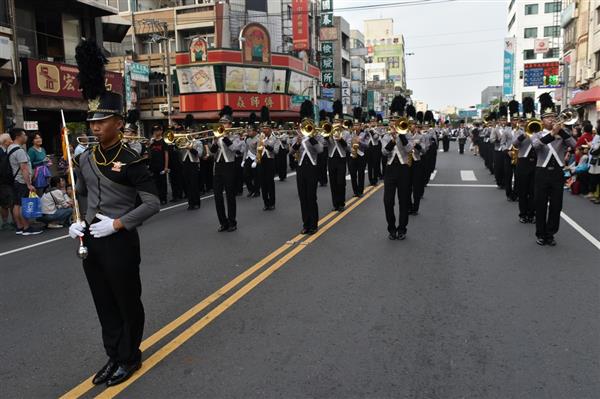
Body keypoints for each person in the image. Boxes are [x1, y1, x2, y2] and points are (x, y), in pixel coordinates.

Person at [68, 40, 160, 387]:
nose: (94, 127)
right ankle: (113, 354)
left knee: (125, 300)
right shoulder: (86, 158)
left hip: (119, 239)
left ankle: (130, 356)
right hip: (92, 238)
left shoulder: (133, 157)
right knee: (103, 303)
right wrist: (76, 222)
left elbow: (151, 203)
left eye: (102, 121)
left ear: (118, 122)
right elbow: (81, 194)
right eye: (91, 121)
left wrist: (119, 223)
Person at [531, 93, 576, 246]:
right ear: (542, 120)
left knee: (556, 205)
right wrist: (552, 134)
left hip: (557, 173)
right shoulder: (536, 134)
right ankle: (541, 234)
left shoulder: (564, 134)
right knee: (540, 204)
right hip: (541, 173)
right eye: (548, 117)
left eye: (553, 117)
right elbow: (536, 146)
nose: (551, 119)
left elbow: (574, 145)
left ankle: (550, 234)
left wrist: (561, 132)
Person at [210, 110, 244, 232]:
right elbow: (212, 152)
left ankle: (232, 222)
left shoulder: (235, 136)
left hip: (229, 166)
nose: (222, 125)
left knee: (230, 195)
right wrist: (215, 140)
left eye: (225, 123)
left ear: (230, 125)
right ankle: (223, 222)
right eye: (221, 123)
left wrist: (224, 138)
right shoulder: (216, 135)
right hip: (218, 166)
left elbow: (235, 149)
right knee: (217, 196)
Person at [8, 128, 42, 235]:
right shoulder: (19, 151)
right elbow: (24, 168)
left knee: (17, 204)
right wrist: (29, 184)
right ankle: (26, 227)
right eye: (24, 135)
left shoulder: (10, 148)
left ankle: (19, 226)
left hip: (15, 180)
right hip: (22, 181)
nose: (26, 137)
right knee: (24, 204)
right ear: (18, 137)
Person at [381, 126, 413, 240]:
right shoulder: (386, 136)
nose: (394, 124)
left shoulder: (408, 135)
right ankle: (392, 228)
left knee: (404, 200)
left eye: (396, 121)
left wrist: (402, 137)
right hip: (390, 169)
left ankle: (402, 229)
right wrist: (393, 141)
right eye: (392, 122)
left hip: (404, 169)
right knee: (388, 201)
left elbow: (410, 150)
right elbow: (384, 152)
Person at [290, 124, 323, 234]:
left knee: (311, 197)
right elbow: (290, 152)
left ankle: (313, 224)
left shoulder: (316, 137)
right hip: (300, 168)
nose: (303, 129)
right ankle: (306, 224)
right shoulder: (297, 137)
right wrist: (298, 143)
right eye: (302, 126)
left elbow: (320, 150)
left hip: (312, 168)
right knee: (303, 197)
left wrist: (310, 137)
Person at [514, 97, 537, 224]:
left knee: (533, 191)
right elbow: (515, 144)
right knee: (522, 191)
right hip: (522, 162)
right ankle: (523, 213)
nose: (528, 122)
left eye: (530, 120)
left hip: (536, 162)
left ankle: (532, 213)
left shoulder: (538, 130)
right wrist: (524, 135)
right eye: (526, 120)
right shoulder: (519, 132)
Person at [257, 121, 279, 210]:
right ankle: (266, 203)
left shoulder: (275, 138)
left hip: (270, 161)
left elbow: (276, 151)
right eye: (263, 128)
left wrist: (266, 145)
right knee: (263, 183)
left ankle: (272, 203)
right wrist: (256, 159)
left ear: (270, 129)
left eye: (266, 128)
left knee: (270, 183)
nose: (264, 130)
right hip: (261, 161)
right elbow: (257, 149)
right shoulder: (260, 138)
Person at [180, 134, 203, 210]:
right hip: (185, 164)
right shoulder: (183, 141)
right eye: (187, 132)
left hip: (193, 164)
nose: (188, 134)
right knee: (187, 184)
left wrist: (190, 148)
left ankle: (196, 203)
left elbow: (199, 154)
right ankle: (190, 203)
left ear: (194, 133)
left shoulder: (198, 142)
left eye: (190, 132)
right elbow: (178, 149)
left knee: (194, 184)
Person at [148, 124, 169, 205]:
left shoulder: (164, 141)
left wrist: (166, 167)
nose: (156, 132)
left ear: (161, 131)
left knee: (162, 183)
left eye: (158, 130)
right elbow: (147, 150)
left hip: (161, 165)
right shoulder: (152, 141)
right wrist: (150, 142)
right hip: (153, 165)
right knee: (154, 183)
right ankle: (157, 198)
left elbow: (166, 154)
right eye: (155, 131)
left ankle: (163, 198)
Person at [347, 120, 368, 197]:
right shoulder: (350, 134)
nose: (355, 127)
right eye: (354, 125)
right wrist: (351, 148)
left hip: (361, 155)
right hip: (352, 155)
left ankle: (360, 191)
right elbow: (348, 144)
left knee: (361, 174)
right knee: (352, 174)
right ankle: (355, 191)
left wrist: (360, 142)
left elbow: (367, 145)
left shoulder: (364, 134)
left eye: (357, 125)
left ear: (360, 126)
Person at [0, 133, 15, 230]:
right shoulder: (0, 151)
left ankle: (11, 221)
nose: (12, 141)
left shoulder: (6, 150)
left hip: (7, 180)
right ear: (5, 142)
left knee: (10, 201)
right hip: (2, 181)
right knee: (5, 203)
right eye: (10, 139)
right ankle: (5, 223)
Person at [243, 125, 260, 198]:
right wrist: (243, 160)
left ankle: (257, 191)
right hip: (248, 158)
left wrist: (256, 161)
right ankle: (251, 189)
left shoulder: (259, 139)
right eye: (248, 131)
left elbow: (259, 151)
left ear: (255, 131)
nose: (248, 132)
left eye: (250, 131)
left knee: (256, 177)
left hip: (255, 158)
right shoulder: (247, 139)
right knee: (245, 174)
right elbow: (245, 150)